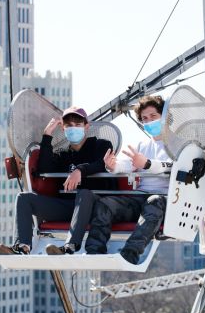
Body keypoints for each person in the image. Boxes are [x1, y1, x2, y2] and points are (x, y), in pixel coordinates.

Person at [63, 95, 173, 265]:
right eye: (144, 119)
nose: (149, 121)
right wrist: (113, 166)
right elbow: (129, 164)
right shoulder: (142, 146)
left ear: (164, 117)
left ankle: (130, 254)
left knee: (154, 201)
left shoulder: (176, 145)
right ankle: (94, 251)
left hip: (164, 199)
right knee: (105, 204)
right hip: (140, 198)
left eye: (153, 116)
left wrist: (148, 164)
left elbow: (173, 166)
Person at [0, 106, 115, 256]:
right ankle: (23, 246)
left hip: (94, 206)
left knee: (84, 193)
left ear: (86, 126)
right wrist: (47, 135)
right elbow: (44, 169)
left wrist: (80, 171)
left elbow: (102, 163)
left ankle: (70, 246)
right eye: (69, 126)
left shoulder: (101, 145)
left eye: (78, 125)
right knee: (24, 199)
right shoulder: (63, 154)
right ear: (63, 129)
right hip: (67, 207)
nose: (73, 128)